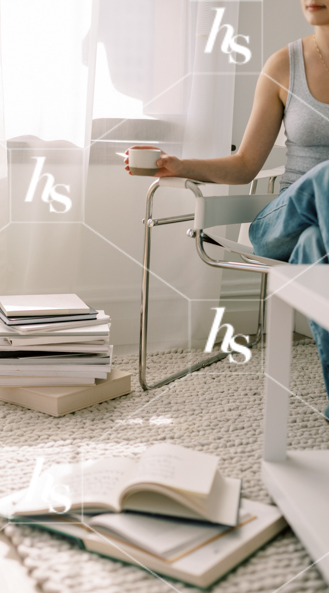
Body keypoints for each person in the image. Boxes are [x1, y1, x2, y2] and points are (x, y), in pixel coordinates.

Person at [124, 0, 329, 421]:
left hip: (315, 238)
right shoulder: (283, 65)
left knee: (315, 247)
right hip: (279, 223)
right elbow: (244, 166)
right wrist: (179, 166)